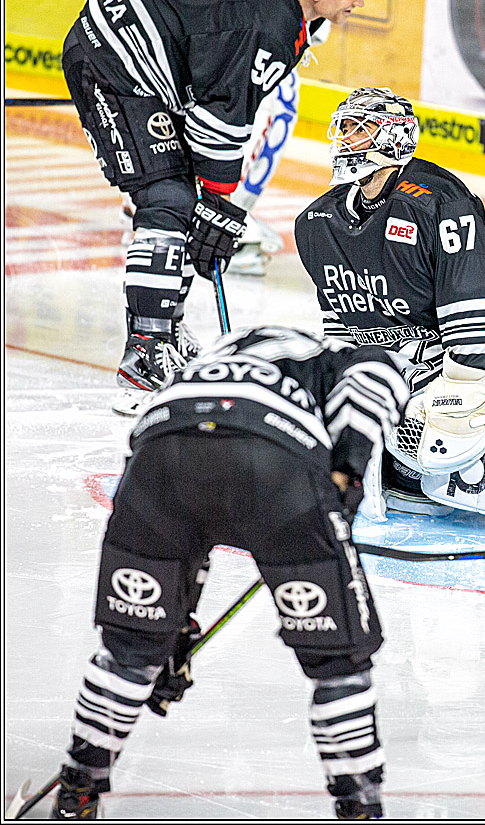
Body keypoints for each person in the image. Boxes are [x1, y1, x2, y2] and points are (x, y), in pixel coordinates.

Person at [48, 326, 410, 820]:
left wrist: (169, 630)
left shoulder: (202, 365)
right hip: (273, 459)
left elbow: (172, 506)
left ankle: (77, 790)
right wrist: (346, 470)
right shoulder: (328, 354)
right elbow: (375, 375)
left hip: (160, 447)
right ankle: (360, 806)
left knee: (129, 651)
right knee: (338, 663)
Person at [62, 0, 374, 415]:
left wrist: (216, 207)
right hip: (113, 58)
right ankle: (145, 355)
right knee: (167, 198)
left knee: (186, 199)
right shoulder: (269, 26)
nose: (357, 2)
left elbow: (217, 98)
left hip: (142, 49)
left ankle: (165, 328)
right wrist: (222, 206)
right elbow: (220, 120)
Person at [294, 87, 485, 503]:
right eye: (345, 128)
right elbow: (343, 321)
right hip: (429, 346)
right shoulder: (316, 223)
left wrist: (464, 387)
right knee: (406, 456)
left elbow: (482, 303)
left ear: (395, 136)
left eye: (362, 128)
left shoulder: (437, 200)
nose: (347, 138)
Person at [79, 0, 324, 277]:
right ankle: (168, 208)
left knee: (277, 89)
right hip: (172, 18)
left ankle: (218, 218)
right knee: (199, 108)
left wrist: (296, 11)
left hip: (238, 13)